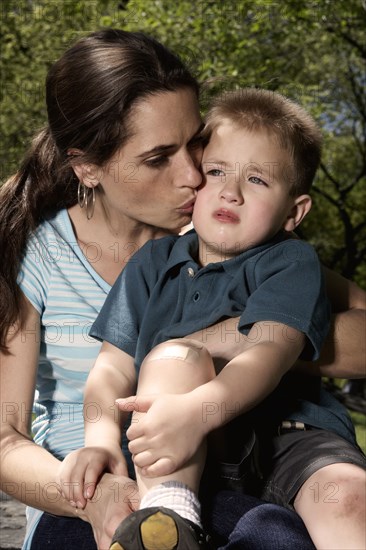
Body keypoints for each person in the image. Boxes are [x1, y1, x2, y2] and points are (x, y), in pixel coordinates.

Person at [0, 28, 364, 550]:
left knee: (276, 533)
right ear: (87, 167)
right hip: (92, 493)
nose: (196, 176)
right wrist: (90, 491)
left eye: (196, 144)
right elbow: (5, 438)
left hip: (226, 467)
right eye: (157, 158)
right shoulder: (34, 257)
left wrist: (224, 341)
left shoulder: (233, 236)